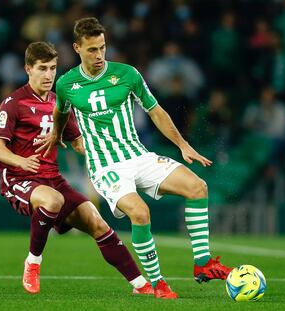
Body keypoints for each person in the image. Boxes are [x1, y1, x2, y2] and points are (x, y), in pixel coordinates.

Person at [37, 17, 232, 299]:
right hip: (105, 166)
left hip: (138, 156)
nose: (99, 55)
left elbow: (155, 111)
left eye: (102, 47)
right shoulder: (66, 84)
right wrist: (57, 134)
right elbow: (61, 112)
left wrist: (182, 144)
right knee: (140, 213)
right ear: (77, 48)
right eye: (92, 49)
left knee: (197, 187)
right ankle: (158, 283)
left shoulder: (127, 74)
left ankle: (202, 263)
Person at [0, 42, 153, 296]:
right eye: (42, 68)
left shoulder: (59, 103)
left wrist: (105, 152)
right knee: (52, 200)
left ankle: (141, 286)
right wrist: (21, 161)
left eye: (53, 68)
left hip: (52, 178)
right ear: (28, 69)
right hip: (19, 179)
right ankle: (33, 262)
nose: (48, 75)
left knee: (97, 223)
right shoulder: (13, 103)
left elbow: (78, 142)